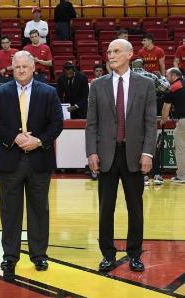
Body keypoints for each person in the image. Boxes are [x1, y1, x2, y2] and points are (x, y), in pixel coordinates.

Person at [0, 50, 63, 282]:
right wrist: (15, 138)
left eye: (25, 66)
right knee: (10, 211)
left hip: (39, 159)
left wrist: (38, 141)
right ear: (11, 68)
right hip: (10, 160)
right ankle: (10, 255)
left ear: (33, 68)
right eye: (17, 67)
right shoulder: (0, 92)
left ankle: (39, 254)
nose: (20, 70)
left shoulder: (48, 92)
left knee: (39, 209)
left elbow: (57, 122)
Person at [86, 39, 157, 273]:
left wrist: (148, 152)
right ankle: (107, 254)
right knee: (106, 208)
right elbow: (92, 123)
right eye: (108, 51)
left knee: (135, 208)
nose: (111, 55)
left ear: (129, 54)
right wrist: (92, 152)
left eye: (116, 51)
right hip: (106, 154)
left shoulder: (146, 84)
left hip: (134, 154)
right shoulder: (97, 85)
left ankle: (135, 254)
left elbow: (150, 123)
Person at [131, 58, 170, 186]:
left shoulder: (126, 77)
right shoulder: (151, 76)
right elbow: (166, 88)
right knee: (151, 145)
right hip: (149, 114)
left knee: (135, 146)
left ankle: (143, 176)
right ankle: (157, 174)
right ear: (143, 66)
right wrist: (162, 77)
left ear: (131, 65)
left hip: (131, 116)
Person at [161, 67, 185, 184]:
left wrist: (163, 120)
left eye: (167, 76)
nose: (166, 78)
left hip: (183, 121)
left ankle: (182, 176)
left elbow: (166, 108)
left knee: (181, 149)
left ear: (174, 76)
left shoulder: (173, 88)